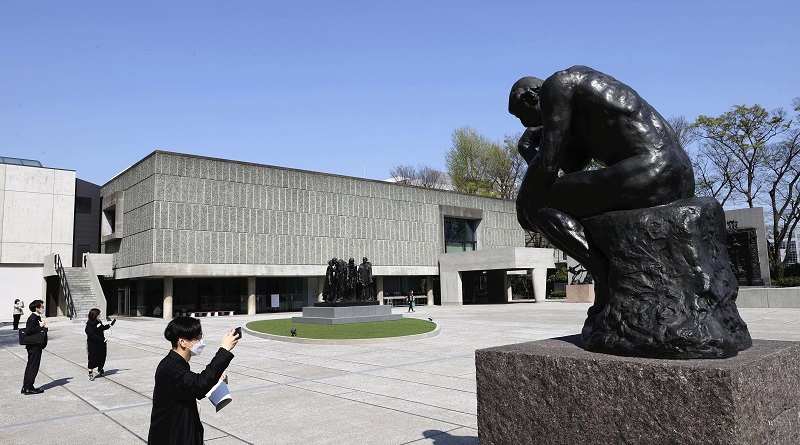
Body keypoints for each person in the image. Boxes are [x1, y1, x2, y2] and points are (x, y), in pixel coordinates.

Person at [148, 316, 240, 444]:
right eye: (197, 338)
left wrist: (215, 379)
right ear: (182, 342)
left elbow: (192, 384)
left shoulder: (176, 363)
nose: (201, 341)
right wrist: (224, 350)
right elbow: (199, 385)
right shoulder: (170, 367)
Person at [21, 300, 47, 395]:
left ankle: (26, 386)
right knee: (33, 367)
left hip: (34, 345)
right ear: (37, 308)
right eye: (42, 307)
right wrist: (41, 327)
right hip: (34, 346)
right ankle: (28, 387)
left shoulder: (36, 317)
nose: (43, 308)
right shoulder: (33, 318)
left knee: (31, 366)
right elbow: (29, 331)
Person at [85, 308, 116, 381]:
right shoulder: (89, 324)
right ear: (95, 315)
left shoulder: (98, 321)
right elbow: (91, 335)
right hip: (93, 345)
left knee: (102, 356)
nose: (100, 315)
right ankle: (90, 373)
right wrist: (102, 339)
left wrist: (110, 325)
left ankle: (100, 368)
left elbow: (102, 327)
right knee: (92, 358)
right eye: (99, 314)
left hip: (101, 344)